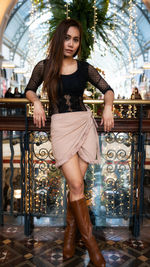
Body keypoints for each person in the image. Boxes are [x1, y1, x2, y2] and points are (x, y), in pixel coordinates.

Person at [25, 19, 114, 267]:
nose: (71, 44)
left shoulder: (85, 68)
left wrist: (107, 107)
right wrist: (37, 102)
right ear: (59, 38)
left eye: (75, 40)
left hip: (84, 125)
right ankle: (92, 245)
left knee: (76, 188)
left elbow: (108, 89)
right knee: (76, 183)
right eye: (67, 38)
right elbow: (29, 89)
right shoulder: (45, 67)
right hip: (61, 128)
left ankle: (69, 238)